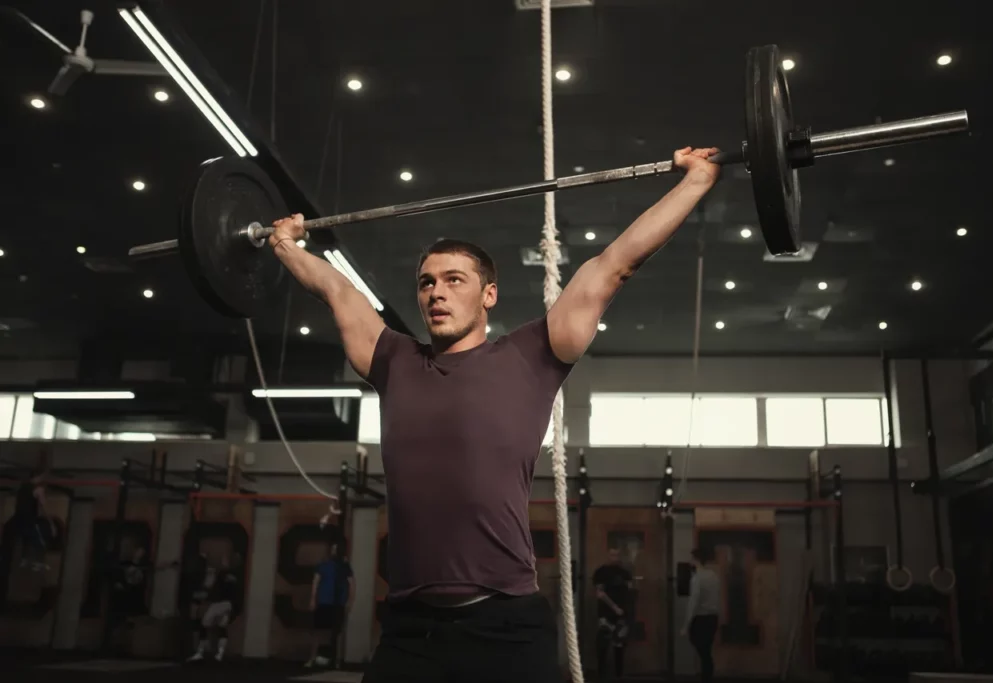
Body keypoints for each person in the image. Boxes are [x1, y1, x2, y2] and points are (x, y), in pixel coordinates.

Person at [268, 146, 721, 682]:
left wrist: (697, 180)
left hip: (504, 626)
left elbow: (614, 265)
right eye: (427, 282)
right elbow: (337, 290)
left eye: (454, 279)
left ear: (489, 294)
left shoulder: (532, 355)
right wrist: (284, 245)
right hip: (411, 630)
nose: (437, 292)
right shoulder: (392, 361)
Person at [306, 543, 355, 668]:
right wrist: (312, 599)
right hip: (324, 602)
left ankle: (336, 661)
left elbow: (352, 584)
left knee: (337, 633)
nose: (334, 551)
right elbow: (315, 582)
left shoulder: (345, 566)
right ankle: (312, 659)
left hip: (338, 603)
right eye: (332, 549)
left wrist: (350, 601)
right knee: (318, 631)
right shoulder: (323, 565)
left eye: (335, 549)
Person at [187, 553, 243, 663]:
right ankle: (219, 654)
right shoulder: (236, 575)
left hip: (221, 603)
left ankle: (201, 652)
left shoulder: (223, 574)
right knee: (222, 626)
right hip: (228, 604)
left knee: (205, 623)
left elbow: (212, 588)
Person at [593, 547, 633, 681]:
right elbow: (600, 594)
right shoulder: (601, 572)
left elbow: (630, 592)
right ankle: (601, 676)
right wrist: (614, 607)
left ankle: (619, 675)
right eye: (612, 555)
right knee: (603, 645)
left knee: (619, 645)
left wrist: (626, 611)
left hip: (621, 614)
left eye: (617, 555)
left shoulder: (625, 573)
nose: (614, 557)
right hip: (606, 613)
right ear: (607, 555)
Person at [682, 547, 721, 683]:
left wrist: (686, 625)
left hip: (701, 619)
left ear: (696, 560)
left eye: (691, 558)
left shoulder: (697, 578)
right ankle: (707, 676)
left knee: (703, 652)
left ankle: (706, 677)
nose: (689, 561)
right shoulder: (714, 576)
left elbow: (693, 603)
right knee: (706, 651)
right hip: (713, 618)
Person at [12, 468, 57, 572]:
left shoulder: (23, 487)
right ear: (38, 477)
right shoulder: (38, 489)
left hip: (19, 518)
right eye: (43, 477)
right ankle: (38, 562)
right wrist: (51, 524)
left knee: (26, 539)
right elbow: (44, 507)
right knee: (40, 541)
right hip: (29, 519)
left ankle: (24, 560)